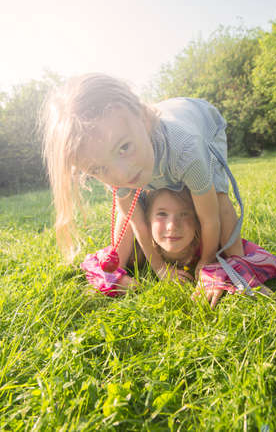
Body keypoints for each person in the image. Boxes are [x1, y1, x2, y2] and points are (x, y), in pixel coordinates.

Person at [41, 73, 257, 297]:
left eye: (124, 147)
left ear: (144, 119)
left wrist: (206, 262)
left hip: (204, 123)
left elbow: (210, 218)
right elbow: (138, 224)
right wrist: (161, 269)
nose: (122, 174)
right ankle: (114, 269)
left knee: (217, 195)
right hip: (160, 142)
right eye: (97, 169)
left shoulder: (187, 149)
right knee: (126, 206)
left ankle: (238, 264)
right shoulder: (111, 160)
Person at [81, 187, 276, 307]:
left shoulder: (207, 245)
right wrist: (120, 280)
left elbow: (269, 260)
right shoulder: (139, 250)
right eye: (161, 214)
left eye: (185, 214)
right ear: (146, 221)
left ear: (198, 221)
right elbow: (92, 263)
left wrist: (215, 272)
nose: (172, 226)